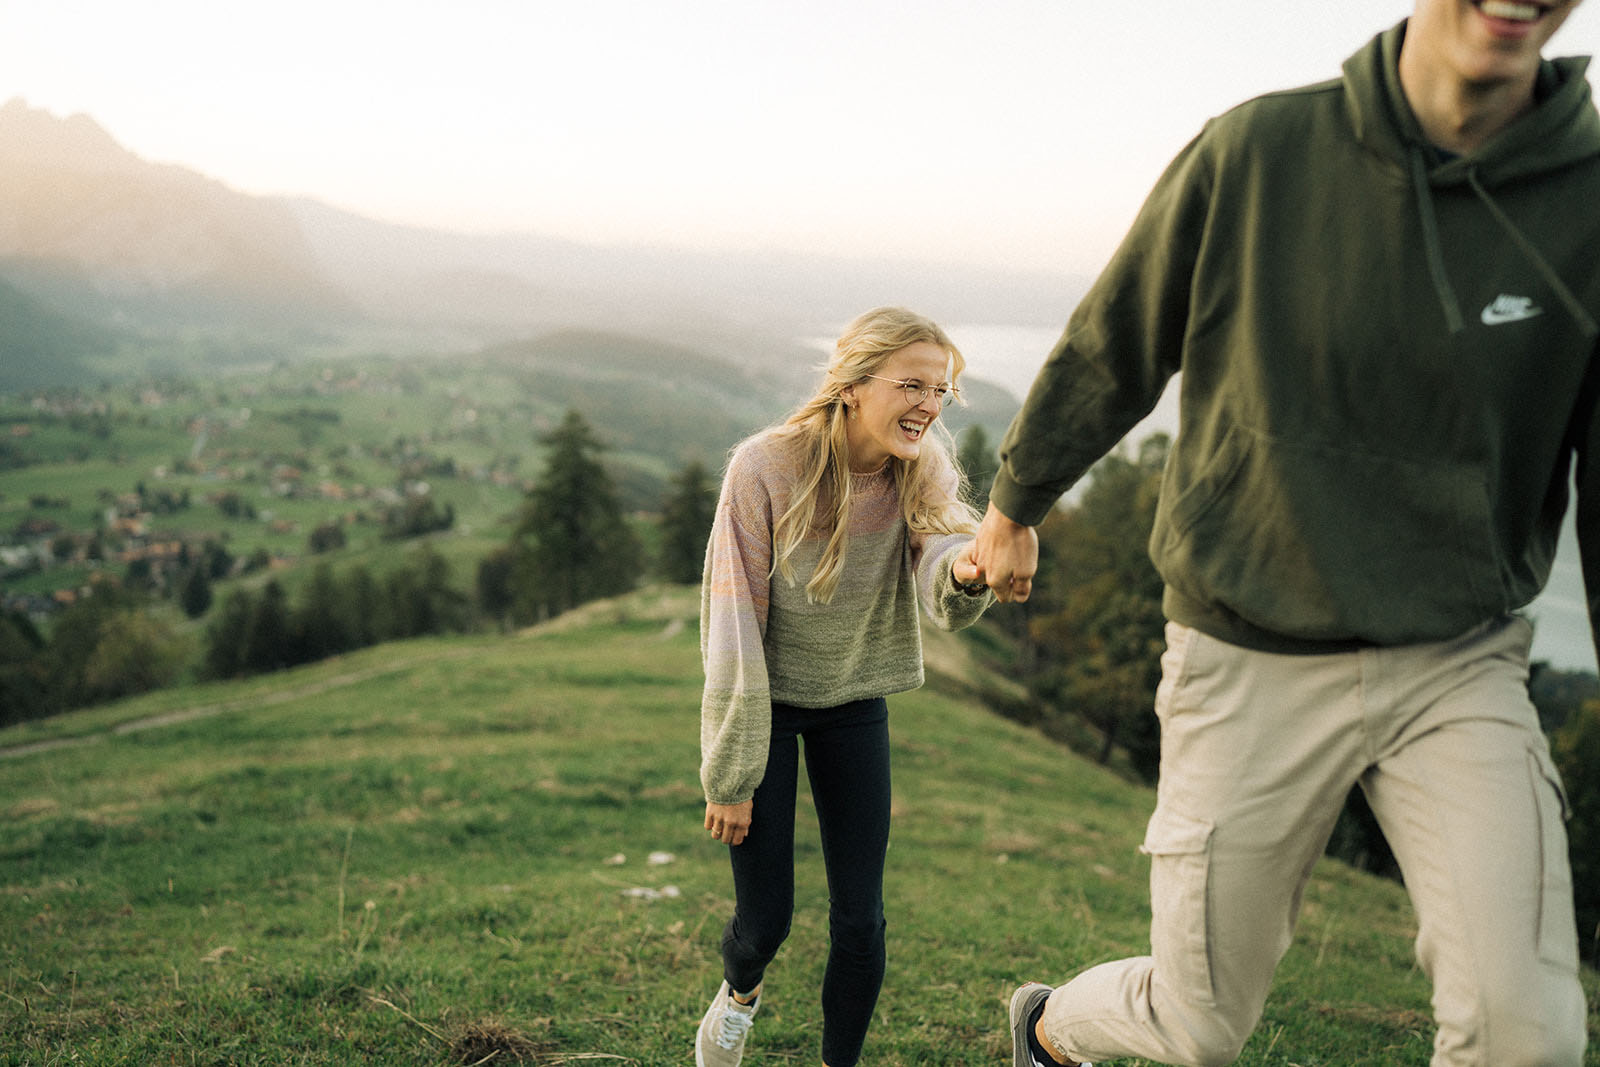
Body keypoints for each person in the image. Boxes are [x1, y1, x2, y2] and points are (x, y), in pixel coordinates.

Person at [971, 2, 1598, 1065]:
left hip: (1456, 660)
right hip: (1244, 646)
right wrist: (1015, 502)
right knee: (1198, 1021)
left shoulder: (1589, 200)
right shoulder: (1259, 150)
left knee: (1523, 1033)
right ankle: (1048, 1026)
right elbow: (1114, 340)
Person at [694, 306, 996, 1067]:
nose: (930, 403)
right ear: (855, 384)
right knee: (766, 922)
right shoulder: (765, 467)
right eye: (913, 384)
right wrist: (730, 772)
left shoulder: (920, 466)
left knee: (861, 920)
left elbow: (940, 556)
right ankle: (739, 995)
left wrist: (964, 570)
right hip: (769, 711)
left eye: (943, 389)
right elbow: (732, 623)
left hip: (855, 706)